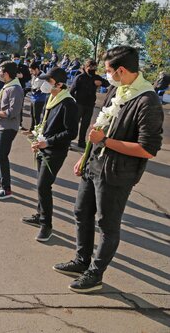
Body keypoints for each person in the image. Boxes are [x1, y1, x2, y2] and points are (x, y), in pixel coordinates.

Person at [54, 46, 163, 293]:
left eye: (108, 70)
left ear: (121, 70)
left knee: (107, 224)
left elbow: (147, 149)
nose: (106, 75)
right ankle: (81, 261)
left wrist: (104, 141)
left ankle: (96, 273)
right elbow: (101, 125)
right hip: (94, 164)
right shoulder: (118, 89)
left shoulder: (147, 101)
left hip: (116, 173)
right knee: (81, 212)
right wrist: (85, 156)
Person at [22, 68, 78, 242]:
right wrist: (37, 139)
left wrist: (48, 142)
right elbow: (45, 124)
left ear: (59, 84)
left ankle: (47, 225)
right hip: (43, 147)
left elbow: (71, 132)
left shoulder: (68, 103)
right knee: (41, 183)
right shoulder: (51, 98)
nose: (44, 84)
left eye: (49, 81)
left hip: (55, 150)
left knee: (43, 186)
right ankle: (39, 214)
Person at [0, 61, 24, 200]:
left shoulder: (15, 89)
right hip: (0, 125)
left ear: (6, 73)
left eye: (1, 72)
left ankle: (6, 189)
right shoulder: (8, 86)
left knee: (1, 156)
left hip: (8, 127)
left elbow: (13, 111)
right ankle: (0, 180)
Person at [69, 59, 109, 149]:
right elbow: (71, 91)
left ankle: (81, 142)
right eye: (90, 67)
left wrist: (101, 83)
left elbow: (107, 84)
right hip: (79, 104)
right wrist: (73, 103)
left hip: (90, 105)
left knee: (85, 124)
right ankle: (68, 141)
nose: (92, 69)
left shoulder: (96, 77)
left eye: (94, 67)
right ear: (86, 67)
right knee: (74, 124)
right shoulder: (80, 77)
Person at [28, 62, 48, 131]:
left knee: (37, 116)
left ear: (36, 69)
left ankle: (36, 132)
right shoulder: (34, 75)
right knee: (32, 114)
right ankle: (31, 129)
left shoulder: (44, 76)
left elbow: (45, 88)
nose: (31, 73)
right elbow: (33, 85)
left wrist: (37, 89)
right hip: (33, 97)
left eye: (31, 71)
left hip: (40, 98)